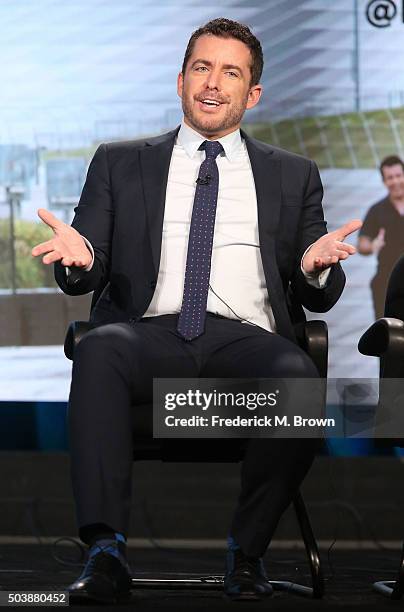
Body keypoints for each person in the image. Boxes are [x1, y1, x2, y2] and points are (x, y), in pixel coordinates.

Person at [32, 18, 361, 603]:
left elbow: (315, 287)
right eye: (202, 68)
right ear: (181, 80)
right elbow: (90, 258)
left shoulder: (293, 173)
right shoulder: (119, 161)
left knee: (297, 376)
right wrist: (80, 261)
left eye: (230, 72)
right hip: (148, 334)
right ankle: (105, 553)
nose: (213, 83)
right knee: (99, 346)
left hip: (247, 339)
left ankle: (248, 554)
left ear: (252, 93)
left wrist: (317, 268)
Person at [357, 155, 404, 319]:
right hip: (387, 282)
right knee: (388, 330)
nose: (395, 181)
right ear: (384, 181)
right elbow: (362, 244)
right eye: (390, 178)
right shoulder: (377, 210)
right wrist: (372, 245)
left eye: (399, 175)